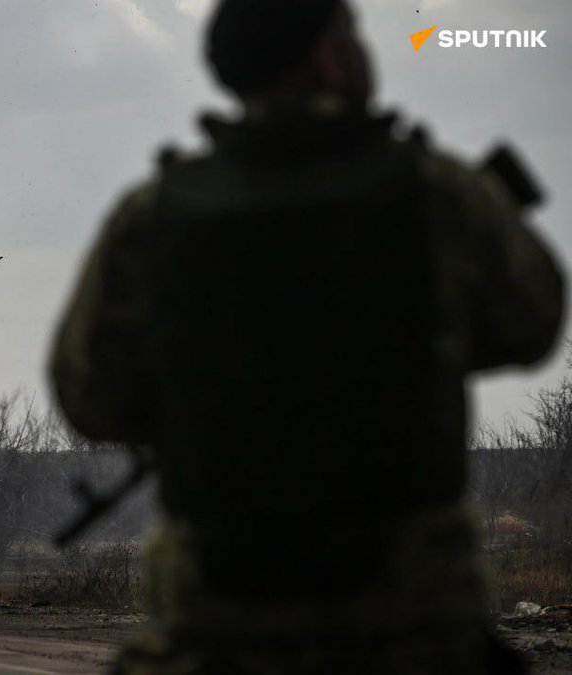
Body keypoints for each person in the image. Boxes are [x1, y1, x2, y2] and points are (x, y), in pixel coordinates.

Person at [49, 0, 564, 673]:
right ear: (328, 56)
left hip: (219, 629)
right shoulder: (433, 194)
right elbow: (533, 320)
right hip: (409, 633)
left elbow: (88, 393)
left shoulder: (155, 219)